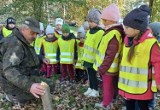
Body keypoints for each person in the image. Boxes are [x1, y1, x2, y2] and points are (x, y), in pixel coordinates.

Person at [0, 17, 55, 104]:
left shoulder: (22, 40)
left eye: (36, 34)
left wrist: (41, 58)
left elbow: (26, 56)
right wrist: (30, 86)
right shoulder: (15, 44)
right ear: (23, 29)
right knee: (42, 90)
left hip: (24, 75)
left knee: (50, 85)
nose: (35, 36)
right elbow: (9, 71)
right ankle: (12, 96)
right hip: (12, 83)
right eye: (32, 33)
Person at [118, 5, 160, 110]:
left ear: (137, 28)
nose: (124, 30)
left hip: (142, 89)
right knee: (129, 107)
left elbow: (158, 64)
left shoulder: (151, 44)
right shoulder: (127, 40)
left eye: (127, 27)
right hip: (127, 86)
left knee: (142, 107)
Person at [93, 4, 125, 109]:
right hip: (108, 67)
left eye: (105, 20)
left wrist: (102, 68)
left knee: (107, 87)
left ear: (112, 20)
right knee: (110, 86)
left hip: (108, 68)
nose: (103, 22)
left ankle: (106, 104)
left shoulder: (114, 33)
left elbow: (110, 55)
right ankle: (110, 100)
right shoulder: (111, 31)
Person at [82, 8, 104, 97]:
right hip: (87, 58)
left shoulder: (100, 32)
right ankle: (90, 88)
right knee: (89, 75)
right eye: (89, 21)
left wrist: (98, 60)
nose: (89, 23)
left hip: (94, 59)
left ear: (97, 21)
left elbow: (99, 47)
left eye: (91, 21)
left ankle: (95, 90)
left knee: (93, 75)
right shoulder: (89, 31)